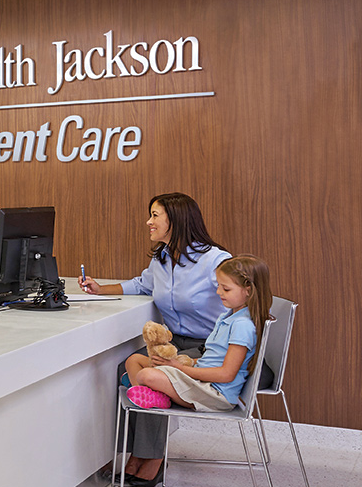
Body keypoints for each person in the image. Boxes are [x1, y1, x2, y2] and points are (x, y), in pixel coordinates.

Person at [78, 192, 231, 486]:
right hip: (176, 344)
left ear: (176, 220)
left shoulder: (215, 260)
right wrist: (100, 289)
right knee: (125, 368)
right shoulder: (162, 259)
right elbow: (141, 284)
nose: (148, 222)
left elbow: (240, 302)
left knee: (151, 375)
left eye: (155, 215)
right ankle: (137, 454)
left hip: (209, 346)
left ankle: (152, 461)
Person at [125, 255, 271, 414]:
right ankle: (152, 394)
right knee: (134, 361)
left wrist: (180, 368)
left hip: (214, 393)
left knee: (146, 375)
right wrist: (182, 362)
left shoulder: (242, 326)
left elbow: (226, 374)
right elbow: (212, 357)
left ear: (248, 291)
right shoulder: (227, 316)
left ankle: (153, 392)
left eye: (226, 289)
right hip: (201, 380)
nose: (218, 291)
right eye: (219, 286)